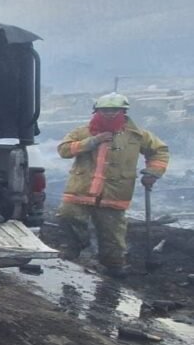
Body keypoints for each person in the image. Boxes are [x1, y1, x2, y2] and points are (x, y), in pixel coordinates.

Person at [56, 92, 168, 277]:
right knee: (67, 216)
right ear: (96, 111)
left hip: (114, 194)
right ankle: (75, 245)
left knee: (112, 234)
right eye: (105, 110)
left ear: (123, 111)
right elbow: (64, 150)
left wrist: (152, 172)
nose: (109, 114)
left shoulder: (137, 135)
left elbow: (160, 151)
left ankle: (114, 266)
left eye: (114, 110)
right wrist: (92, 141)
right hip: (80, 190)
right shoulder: (82, 132)